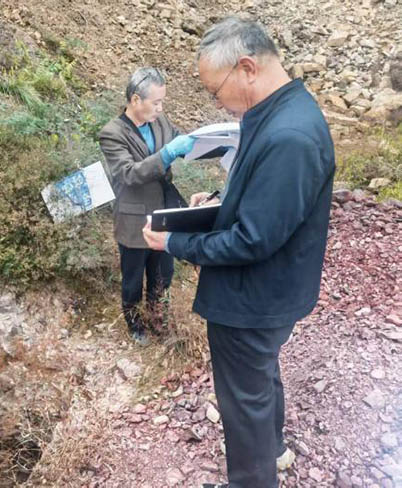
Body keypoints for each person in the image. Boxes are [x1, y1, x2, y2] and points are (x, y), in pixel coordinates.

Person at [142, 17, 335, 488]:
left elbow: (253, 239)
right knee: (259, 378)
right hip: (269, 292)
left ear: (247, 68)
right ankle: (275, 451)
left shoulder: (289, 136)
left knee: (243, 402)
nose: (216, 102)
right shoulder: (279, 113)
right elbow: (265, 203)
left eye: (215, 91)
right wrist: (217, 204)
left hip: (253, 299)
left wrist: (174, 242)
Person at [99, 67, 196, 345]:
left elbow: (180, 140)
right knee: (133, 278)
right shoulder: (112, 133)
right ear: (135, 100)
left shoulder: (159, 121)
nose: (160, 108)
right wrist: (167, 154)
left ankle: (159, 321)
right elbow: (129, 173)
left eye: (162, 102)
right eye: (156, 102)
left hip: (163, 214)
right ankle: (135, 325)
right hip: (134, 219)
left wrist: (204, 144)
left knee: (163, 274)